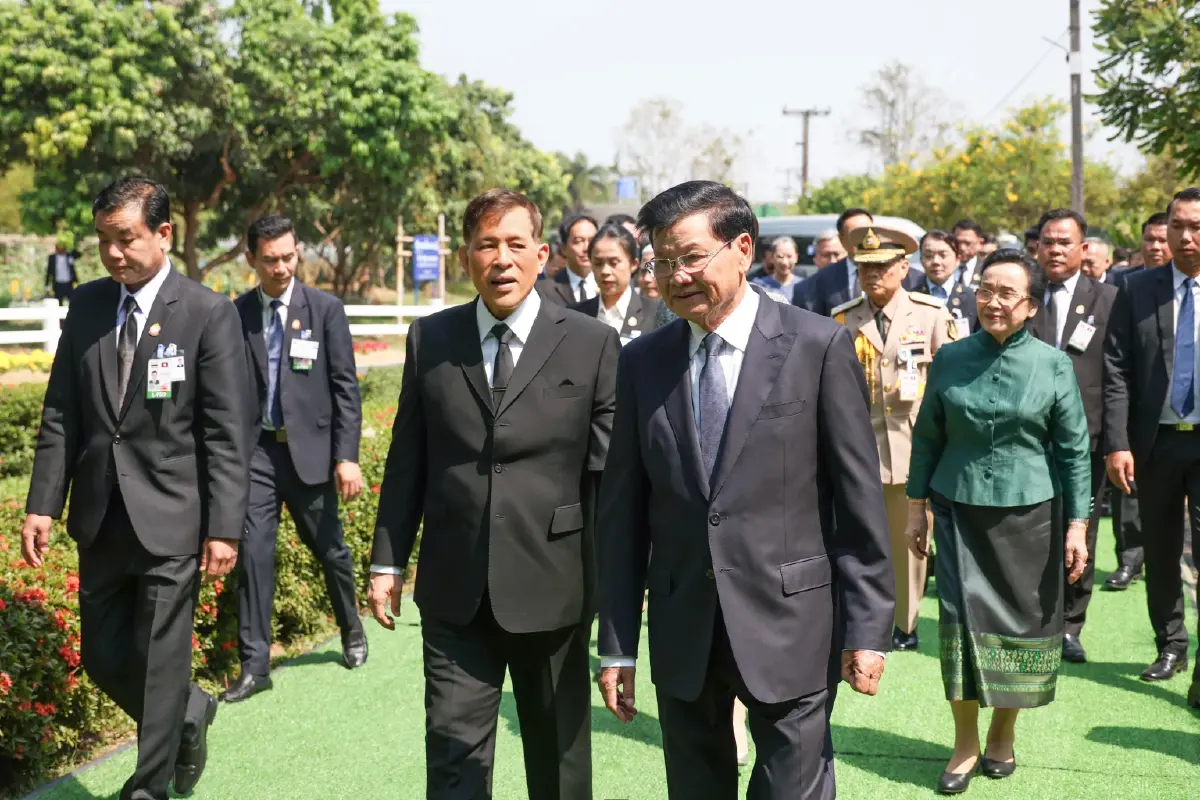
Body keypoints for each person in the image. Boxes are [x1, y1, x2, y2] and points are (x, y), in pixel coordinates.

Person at [597, 181, 895, 799]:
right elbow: (622, 519)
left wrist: (868, 627)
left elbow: (858, 503)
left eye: (690, 256)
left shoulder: (817, 346)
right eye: (661, 261)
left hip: (793, 622)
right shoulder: (641, 363)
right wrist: (618, 647)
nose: (675, 276)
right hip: (684, 628)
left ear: (742, 247)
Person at [366, 189, 620, 798]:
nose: (500, 259)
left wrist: (617, 592)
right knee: (453, 765)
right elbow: (408, 461)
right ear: (465, 257)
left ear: (542, 254)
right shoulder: (432, 339)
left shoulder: (590, 344)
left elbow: (606, 479)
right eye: (486, 245)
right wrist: (386, 559)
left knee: (558, 769)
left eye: (514, 245)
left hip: (555, 586)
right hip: (456, 591)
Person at [21, 177, 252, 800]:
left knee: (161, 656)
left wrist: (225, 526)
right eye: (104, 240)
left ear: (163, 233)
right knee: (102, 655)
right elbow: (62, 412)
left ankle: (147, 787)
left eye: (125, 239)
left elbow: (228, 432)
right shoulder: (90, 305)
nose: (114, 253)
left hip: (173, 519)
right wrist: (43, 503)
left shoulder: (207, 313)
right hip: (101, 516)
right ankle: (189, 710)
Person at [906, 248, 1090, 794]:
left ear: (1031, 305)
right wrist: (916, 508)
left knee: (1022, 631)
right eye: (985, 290)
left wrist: (1077, 525)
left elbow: (1075, 450)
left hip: (1032, 515)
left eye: (1006, 293)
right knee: (961, 632)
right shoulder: (951, 358)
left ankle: (1003, 734)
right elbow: (927, 438)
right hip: (959, 512)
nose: (992, 301)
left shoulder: (1054, 365)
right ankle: (964, 745)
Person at [221, 215, 366, 704]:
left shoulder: (324, 310)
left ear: (297, 251)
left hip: (310, 455)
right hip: (257, 453)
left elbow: (346, 389)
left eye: (288, 256)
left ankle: (351, 630)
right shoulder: (235, 315)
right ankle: (254, 665)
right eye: (270, 259)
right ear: (251, 260)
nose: (281, 267)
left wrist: (347, 457)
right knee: (255, 556)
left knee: (331, 551)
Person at [833, 226, 958, 654]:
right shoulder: (844, 318)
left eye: (883, 266)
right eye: (865, 268)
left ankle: (904, 625)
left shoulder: (931, 315)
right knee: (865, 539)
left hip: (915, 448)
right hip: (861, 448)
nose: (873, 275)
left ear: (904, 267)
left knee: (910, 543)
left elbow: (951, 383)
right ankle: (868, 618)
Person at [1104, 187, 1200, 707]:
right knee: (1160, 549)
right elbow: (1115, 369)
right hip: (1155, 442)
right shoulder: (1137, 289)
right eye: (1178, 225)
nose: (1186, 237)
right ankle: (1171, 645)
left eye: (1196, 227)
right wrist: (1117, 443)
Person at [1028, 210, 1117, 665]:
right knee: (1031, 529)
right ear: (1037, 248)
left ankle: (1070, 625)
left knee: (1080, 529)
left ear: (1084, 249)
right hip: (1028, 437)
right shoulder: (1023, 297)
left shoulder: (1109, 299)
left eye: (1065, 242)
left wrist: (1117, 440)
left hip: (1086, 437)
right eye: (1048, 242)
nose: (1056, 250)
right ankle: (1033, 619)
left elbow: (1117, 374)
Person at [793, 207, 924, 315]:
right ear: (842, 239)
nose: (865, 238)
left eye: (869, 231)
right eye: (857, 234)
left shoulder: (915, 278)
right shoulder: (819, 281)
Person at [570, 222, 663, 344]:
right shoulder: (576, 314)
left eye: (614, 263)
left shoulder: (657, 313)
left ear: (633, 264)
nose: (605, 271)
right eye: (598, 263)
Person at [913, 230, 978, 333]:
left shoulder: (972, 298)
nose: (936, 262)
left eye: (943, 255)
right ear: (921, 260)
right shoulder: (911, 298)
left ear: (957, 259)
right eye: (929, 256)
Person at [541, 214, 599, 305]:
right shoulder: (545, 290)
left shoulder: (609, 285)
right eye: (578, 241)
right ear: (563, 248)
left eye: (592, 241)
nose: (586, 248)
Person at [952, 219, 986, 287]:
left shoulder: (985, 270)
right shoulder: (941, 268)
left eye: (968, 243)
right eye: (957, 242)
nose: (962, 248)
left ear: (980, 243)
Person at [45, 240, 80, 304]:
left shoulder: (69, 256)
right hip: (58, 284)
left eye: (62, 247)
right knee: (59, 302)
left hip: (69, 283)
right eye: (58, 247)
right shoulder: (52, 258)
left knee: (73, 301)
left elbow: (79, 254)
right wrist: (47, 285)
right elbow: (49, 272)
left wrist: (71, 247)